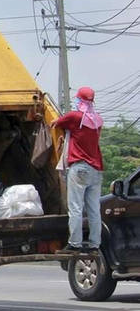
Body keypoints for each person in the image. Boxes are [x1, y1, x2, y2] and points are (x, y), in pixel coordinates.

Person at [52, 86, 104, 254]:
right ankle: (95, 244)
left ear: (79, 100)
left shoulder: (74, 117)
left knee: (75, 207)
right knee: (94, 209)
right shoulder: (98, 120)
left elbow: (55, 123)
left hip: (80, 168)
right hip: (96, 170)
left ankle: (75, 243)